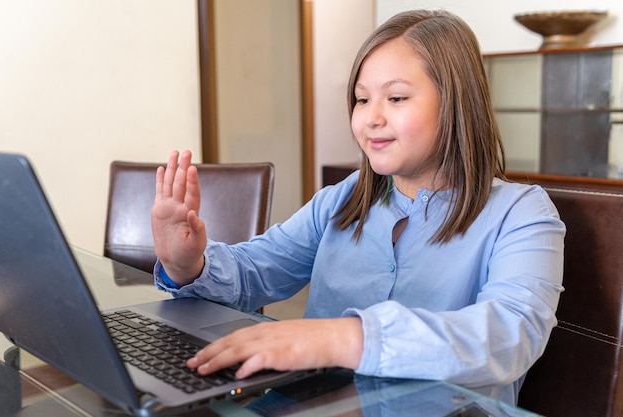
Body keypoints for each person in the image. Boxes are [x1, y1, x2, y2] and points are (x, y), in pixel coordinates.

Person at [151, 9, 565, 406]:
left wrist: (343, 338)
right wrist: (190, 265)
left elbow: (513, 334)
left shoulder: (523, 213)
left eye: (397, 97)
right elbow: (255, 271)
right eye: (362, 100)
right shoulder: (342, 198)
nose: (370, 118)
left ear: (458, 104)